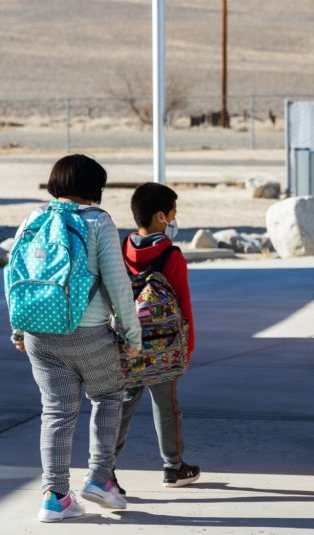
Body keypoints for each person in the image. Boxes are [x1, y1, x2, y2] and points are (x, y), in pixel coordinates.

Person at [9, 154, 141, 522]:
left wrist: (19, 328)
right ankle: (100, 478)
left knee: (56, 413)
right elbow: (118, 283)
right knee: (109, 395)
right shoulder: (98, 222)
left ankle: (55, 497)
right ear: (94, 188)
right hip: (87, 332)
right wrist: (131, 333)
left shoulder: (33, 218)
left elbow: (16, 276)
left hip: (38, 333)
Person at [113, 182, 200, 490]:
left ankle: (105, 469)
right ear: (161, 216)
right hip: (163, 345)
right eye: (174, 210)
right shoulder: (172, 255)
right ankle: (173, 467)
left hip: (127, 344)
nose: (177, 215)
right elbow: (183, 303)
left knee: (123, 406)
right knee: (166, 406)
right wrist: (188, 345)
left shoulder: (121, 250)